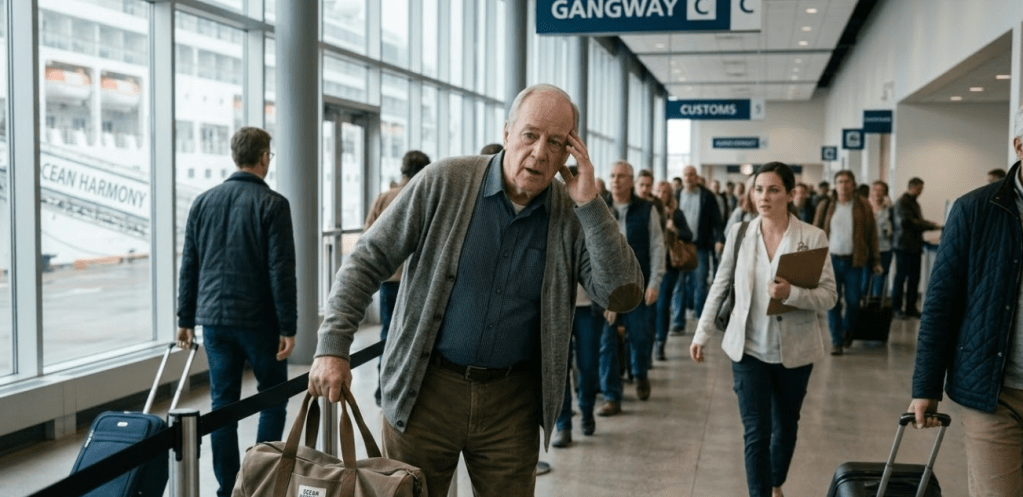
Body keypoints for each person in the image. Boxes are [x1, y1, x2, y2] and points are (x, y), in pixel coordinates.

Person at [306, 84, 644, 496]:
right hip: (424, 394)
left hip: (512, 407)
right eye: (530, 134)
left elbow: (622, 295)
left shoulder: (571, 215)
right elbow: (367, 258)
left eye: (555, 142)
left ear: (569, 153)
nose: (539, 152)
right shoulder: (446, 181)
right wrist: (332, 345)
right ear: (507, 133)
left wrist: (591, 206)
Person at [690, 162, 837, 497]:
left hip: (794, 353)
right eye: (758, 189)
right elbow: (720, 284)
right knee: (756, 432)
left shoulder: (812, 237)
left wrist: (793, 294)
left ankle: (775, 483)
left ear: (789, 194)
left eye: (773, 190)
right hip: (748, 350)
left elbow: (829, 297)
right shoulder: (740, 233)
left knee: (785, 429)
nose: (764, 196)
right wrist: (702, 333)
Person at [909, 105, 1023, 496]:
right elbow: (941, 303)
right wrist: (926, 386)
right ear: (1019, 146)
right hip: (994, 393)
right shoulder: (975, 210)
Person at [176, 127, 296, 497]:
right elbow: (281, 270)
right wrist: (289, 325)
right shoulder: (273, 204)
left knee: (222, 404)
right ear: (263, 158)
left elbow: (190, 264)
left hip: (214, 321)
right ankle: (258, 484)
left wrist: (184, 319)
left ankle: (229, 487)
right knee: (273, 397)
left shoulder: (203, 202)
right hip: (260, 320)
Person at [597, 161, 665, 416]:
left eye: (621, 176)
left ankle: (640, 375)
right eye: (612, 175)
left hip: (638, 285)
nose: (615, 180)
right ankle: (611, 396)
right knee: (607, 343)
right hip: (607, 289)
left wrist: (655, 282)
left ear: (631, 180)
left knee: (639, 337)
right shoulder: (599, 207)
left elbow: (658, 246)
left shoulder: (647, 209)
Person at [365, 150, 431, 406]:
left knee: (387, 334)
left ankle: (383, 390)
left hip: (389, 280)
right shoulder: (425, 194)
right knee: (415, 336)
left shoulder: (384, 198)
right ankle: (409, 390)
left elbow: (368, 235)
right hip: (418, 279)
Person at [813, 170, 881, 355]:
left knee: (853, 302)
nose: (843, 185)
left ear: (853, 184)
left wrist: (876, 260)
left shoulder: (863, 205)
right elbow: (815, 233)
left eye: (847, 181)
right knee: (832, 302)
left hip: (855, 261)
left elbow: (871, 234)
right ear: (835, 185)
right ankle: (836, 340)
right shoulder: (825, 205)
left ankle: (847, 330)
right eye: (840, 181)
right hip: (831, 261)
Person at [674, 165, 724, 334]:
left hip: (700, 246)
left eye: (692, 175)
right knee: (679, 285)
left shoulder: (707, 196)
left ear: (696, 177)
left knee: (700, 284)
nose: (689, 178)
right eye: (686, 175)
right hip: (680, 247)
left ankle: (700, 317)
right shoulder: (677, 194)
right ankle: (678, 321)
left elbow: (717, 219)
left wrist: (718, 239)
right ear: (683, 177)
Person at [891, 177, 942, 318]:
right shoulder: (902, 202)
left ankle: (910, 308)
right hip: (903, 246)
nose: (921, 191)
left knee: (914, 278)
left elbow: (917, 220)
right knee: (901, 278)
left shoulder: (914, 203)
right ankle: (896, 308)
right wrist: (931, 226)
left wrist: (929, 224)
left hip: (914, 245)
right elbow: (908, 222)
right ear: (911, 187)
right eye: (919, 188)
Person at [654, 179, 692, 356]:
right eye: (658, 192)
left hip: (670, 266)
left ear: (669, 195)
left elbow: (688, 235)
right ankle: (652, 338)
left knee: (662, 304)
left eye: (665, 192)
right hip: (650, 264)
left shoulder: (676, 214)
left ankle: (660, 341)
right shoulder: (649, 211)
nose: (661, 195)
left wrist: (674, 229)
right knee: (651, 305)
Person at [867, 180, 894, 299]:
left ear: (885, 193)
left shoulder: (890, 210)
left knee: (880, 278)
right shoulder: (865, 208)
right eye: (875, 190)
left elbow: (895, 229)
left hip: (884, 249)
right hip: (867, 250)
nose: (877, 193)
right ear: (871, 192)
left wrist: (890, 230)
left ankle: (876, 308)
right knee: (865, 280)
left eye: (881, 190)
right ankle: (863, 308)